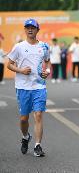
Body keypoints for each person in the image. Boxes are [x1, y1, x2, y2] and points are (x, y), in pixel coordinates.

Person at [7, 19, 51, 157]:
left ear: (38, 30)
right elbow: (9, 64)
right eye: (27, 28)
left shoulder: (44, 46)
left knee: (38, 115)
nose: (30, 30)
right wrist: (20, 70)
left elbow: (48, 62)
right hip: (23, 87)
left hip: (39, 86)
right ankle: (26, 137)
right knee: (23, 119)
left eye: (33, 27)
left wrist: (47, 71)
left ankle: (37, 146)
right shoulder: (19, 47)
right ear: (25, 30)